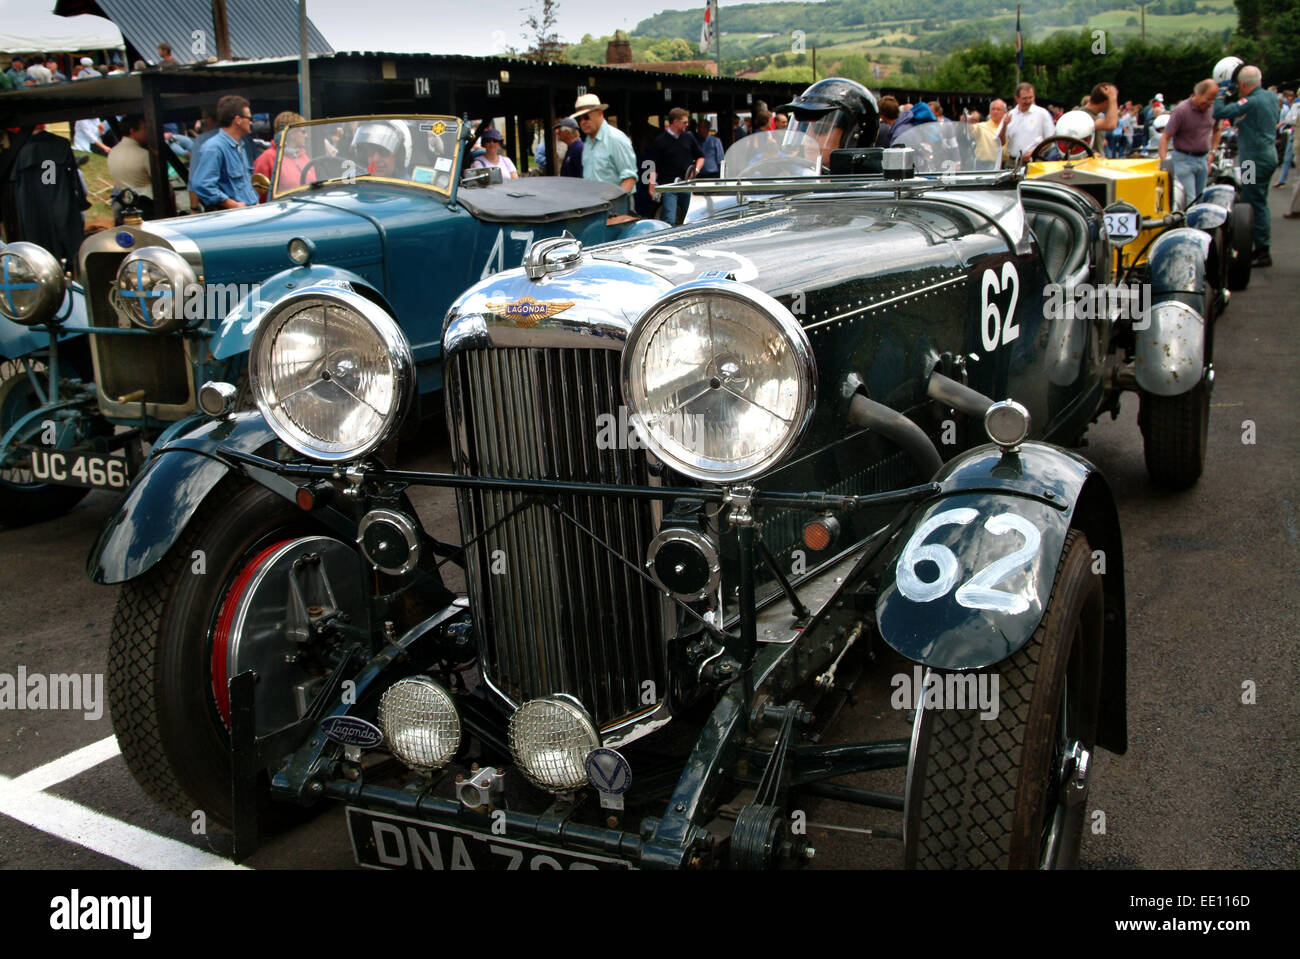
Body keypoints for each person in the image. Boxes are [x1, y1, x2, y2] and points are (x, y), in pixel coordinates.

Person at [1213, 65, 1280, 266]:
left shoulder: (1250, 101)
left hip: (1252, 161)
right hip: (1267, 155)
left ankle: (1262, 250)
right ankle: (1260, 247)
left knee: (1253, 204)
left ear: (1242, 85)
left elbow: (1220, 112)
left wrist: (1221, 92)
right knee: (1258, 201)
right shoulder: (1270, 97)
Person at [781, 77, 880, 170]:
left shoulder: (873, 186)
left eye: (820, 128)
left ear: (856, 138)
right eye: (805, 128)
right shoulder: (795, 179)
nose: (808, 137)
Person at [190, 94, 259, 210]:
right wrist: (232, 204)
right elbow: (202, 185)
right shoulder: (214, 147)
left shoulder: (241, 145)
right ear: (238, 120)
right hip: (232, 218)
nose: (251, 122)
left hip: (248, 213)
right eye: (249, 119)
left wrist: (254, 201)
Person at [1160, 79, 1220, 206]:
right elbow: (1165, 137)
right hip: (1184, 159)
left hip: (1203, 159)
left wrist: (1212, 153)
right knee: (1190, 199)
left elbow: (1217, 130)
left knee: (1200, 197)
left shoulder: (1213, 109)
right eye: (1208, 99)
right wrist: (1164, 162)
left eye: (1213, 100)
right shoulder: (1181, 110)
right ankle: (1188, 224)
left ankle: (1197, 225)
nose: (1210, 103)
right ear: (1198, 94)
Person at [647, 107, 703, 225]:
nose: (687, 125)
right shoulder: (660, 141)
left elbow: (701, 156)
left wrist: (696, 170)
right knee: (670, 219)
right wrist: (652, 185)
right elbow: (654, 166)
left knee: (689, 217)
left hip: (686, 184)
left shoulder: (689, 137)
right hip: (669, 185)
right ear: (676, 122)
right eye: (684, 122)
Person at [571, 93, 636, 192]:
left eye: (586, 117)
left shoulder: (616, 139)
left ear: (600, 113)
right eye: (579, 119)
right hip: (593, 204)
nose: (582, 122)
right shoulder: (588, 142)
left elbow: (629, 179)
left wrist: (615, 205)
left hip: (614, 205)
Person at [107, 114, 156, 220]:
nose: (147, 132)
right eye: (144, 129)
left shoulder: (112, 152)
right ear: (132, 130)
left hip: (125, 204)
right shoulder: (143, 154)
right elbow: (162, 185)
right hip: (148, 207)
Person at [999, 82, 1055, 162]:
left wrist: (1033, 152)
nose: (1028, 101)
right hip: (1013, 163)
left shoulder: (1042, 113)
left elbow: (1050, 140)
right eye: (1025, 98)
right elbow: (1001, 142)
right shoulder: (1009, 115)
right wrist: (1004, 126)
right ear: (1017, 98)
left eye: (1031, 98)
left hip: (1035, 161)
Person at [254, 111, 310, 190]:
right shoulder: (267, 158)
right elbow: (261, 195)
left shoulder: (304, 157)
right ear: (292, 133)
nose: (306, 136)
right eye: (303, 132)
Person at [1082, 83, 1118, 155]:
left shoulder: (1094, 116)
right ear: (1105, 102)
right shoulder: (1083, 116)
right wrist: (1112, 98)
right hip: (1089, 165)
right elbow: (1111, 125)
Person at [972, 98, 1006, 167]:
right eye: (993, 109)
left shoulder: (1008, 127)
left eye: (998, 109)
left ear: (1004, 112)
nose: (995, 112)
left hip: (1004, 164)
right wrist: (969, 120)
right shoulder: (981, 126)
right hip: (983, 164)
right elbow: (968, 131)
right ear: (989, 111)